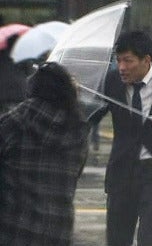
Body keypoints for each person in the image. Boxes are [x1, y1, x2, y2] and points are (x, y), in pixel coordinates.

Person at [91, 31, 152, 246]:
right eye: (118, 61)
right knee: (117, 239)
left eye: (128, 61)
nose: (122, 67)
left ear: (147, 60)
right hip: (121, 172)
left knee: (149, 239)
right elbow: (92, 116)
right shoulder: (112, 81)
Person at [0, 62, 89, 245]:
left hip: (16, 228)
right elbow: (76, 172)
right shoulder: (78, 128)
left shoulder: (18, 119)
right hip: (58, 230)